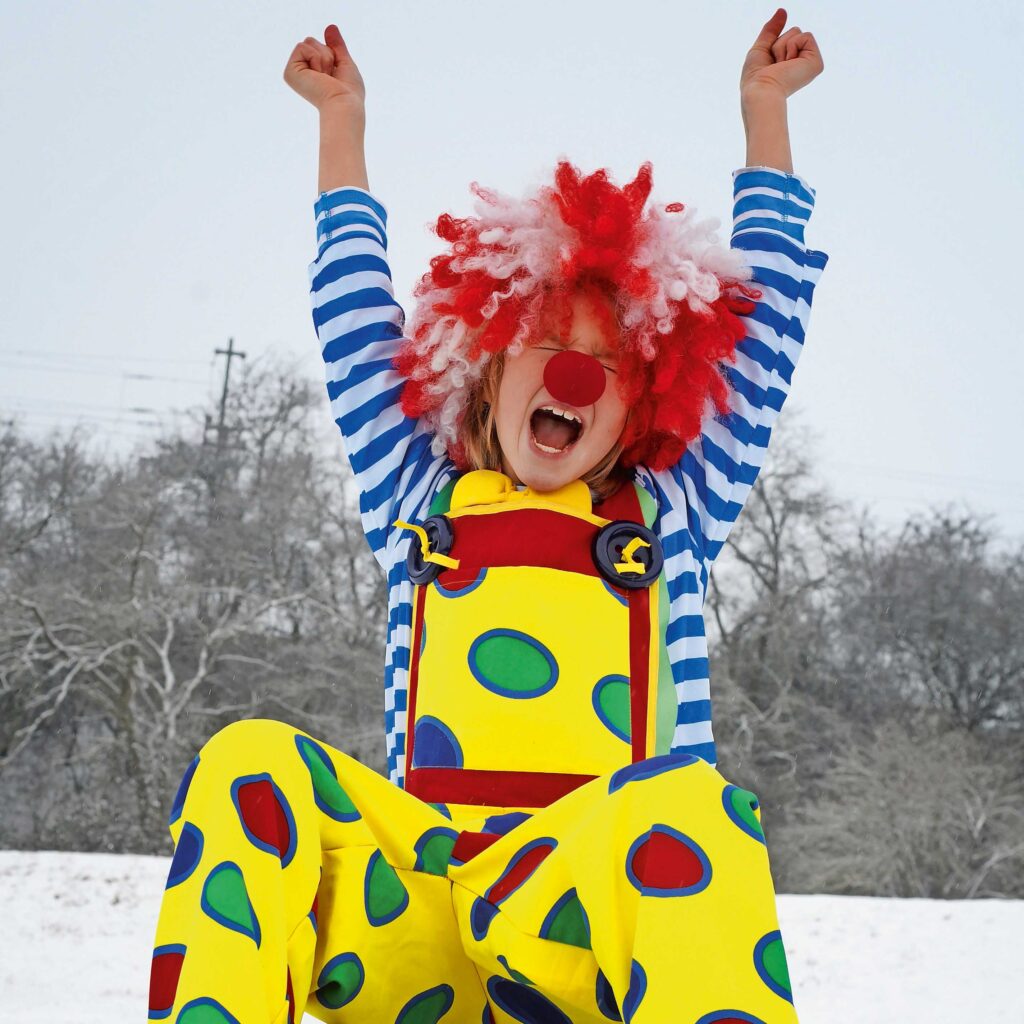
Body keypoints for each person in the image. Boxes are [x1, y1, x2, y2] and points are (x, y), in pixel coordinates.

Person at [148, 9, 827, 1023]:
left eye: (602, 366)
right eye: (547, 344)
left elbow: (761, 327)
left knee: (690, 804)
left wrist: (764, 118)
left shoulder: (669, 515)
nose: (569, 376)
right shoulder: (416, 499)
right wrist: (343, 125)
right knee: (250, 761)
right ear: (488, 362)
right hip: (414, 915)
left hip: (566, 932)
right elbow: (352, 321)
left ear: (644, 402)